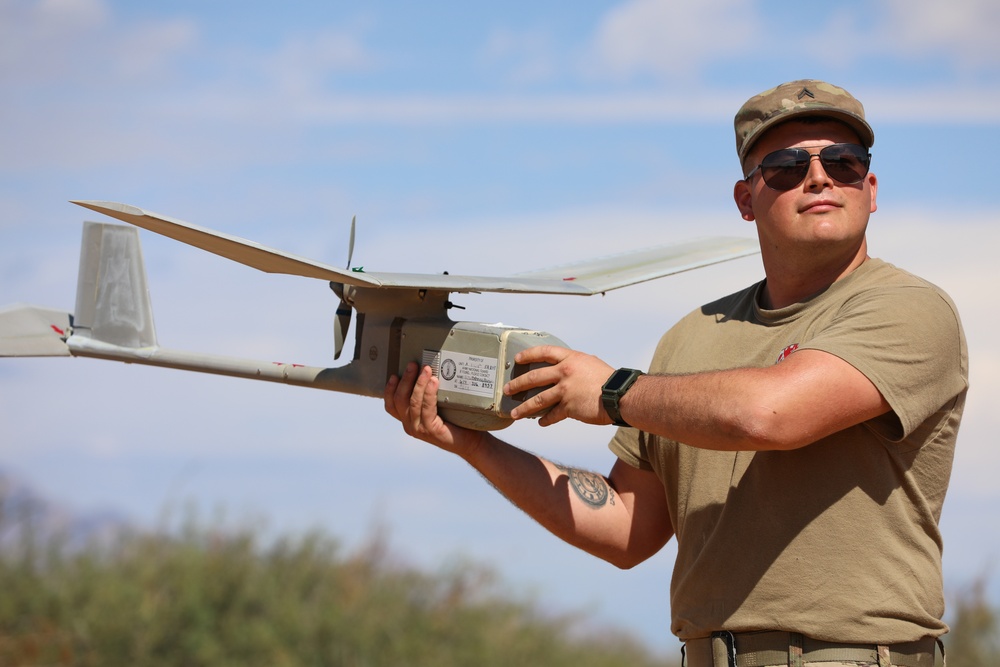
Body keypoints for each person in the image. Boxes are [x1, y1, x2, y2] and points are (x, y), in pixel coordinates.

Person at [385, 79, 967, 667]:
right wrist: (468, 441)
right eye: (787, 166)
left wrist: (611, 392)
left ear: (870, 189)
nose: (818, 177)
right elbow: (626, 528)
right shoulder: (691, 337)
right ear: (745, 200)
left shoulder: (910, 310)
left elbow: (768, 414)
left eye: (842, 162)